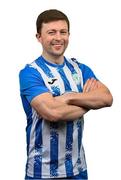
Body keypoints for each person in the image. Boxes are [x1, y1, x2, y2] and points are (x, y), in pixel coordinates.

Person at [19, 9, 113, 180]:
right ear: (39, 37)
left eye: (63, 32)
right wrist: (89, 102)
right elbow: (53, 112)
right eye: (51, 32)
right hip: (42, 172)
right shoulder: (30, 73)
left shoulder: (80, 69)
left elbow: (106, 98)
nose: (58, 37)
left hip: (78, 169)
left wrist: (68, 97)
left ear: (69, 34)